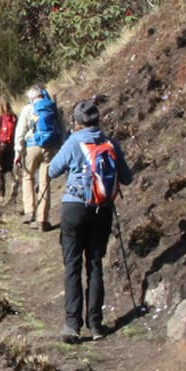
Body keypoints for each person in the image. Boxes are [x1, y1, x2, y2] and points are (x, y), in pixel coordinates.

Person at [48, 99, 133, 343]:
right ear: (97, 120)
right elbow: (126, 178)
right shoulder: (110, 142)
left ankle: (72, 324)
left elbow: (53, 170)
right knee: (95, 264)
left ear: (76, 122)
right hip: (102, 209)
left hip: (74, 207)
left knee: (72, 265)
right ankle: (95, 324)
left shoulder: (74, 141)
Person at [13, 85, 61, 231]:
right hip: (49, 148)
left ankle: (29, 211)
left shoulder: (28, 109)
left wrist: (18, 151)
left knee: (28, 177)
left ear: (31, 97)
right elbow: (61, 130)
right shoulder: (53, 109)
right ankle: (42, 220)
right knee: (45, 182)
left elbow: (20, 132)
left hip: (32, 146)